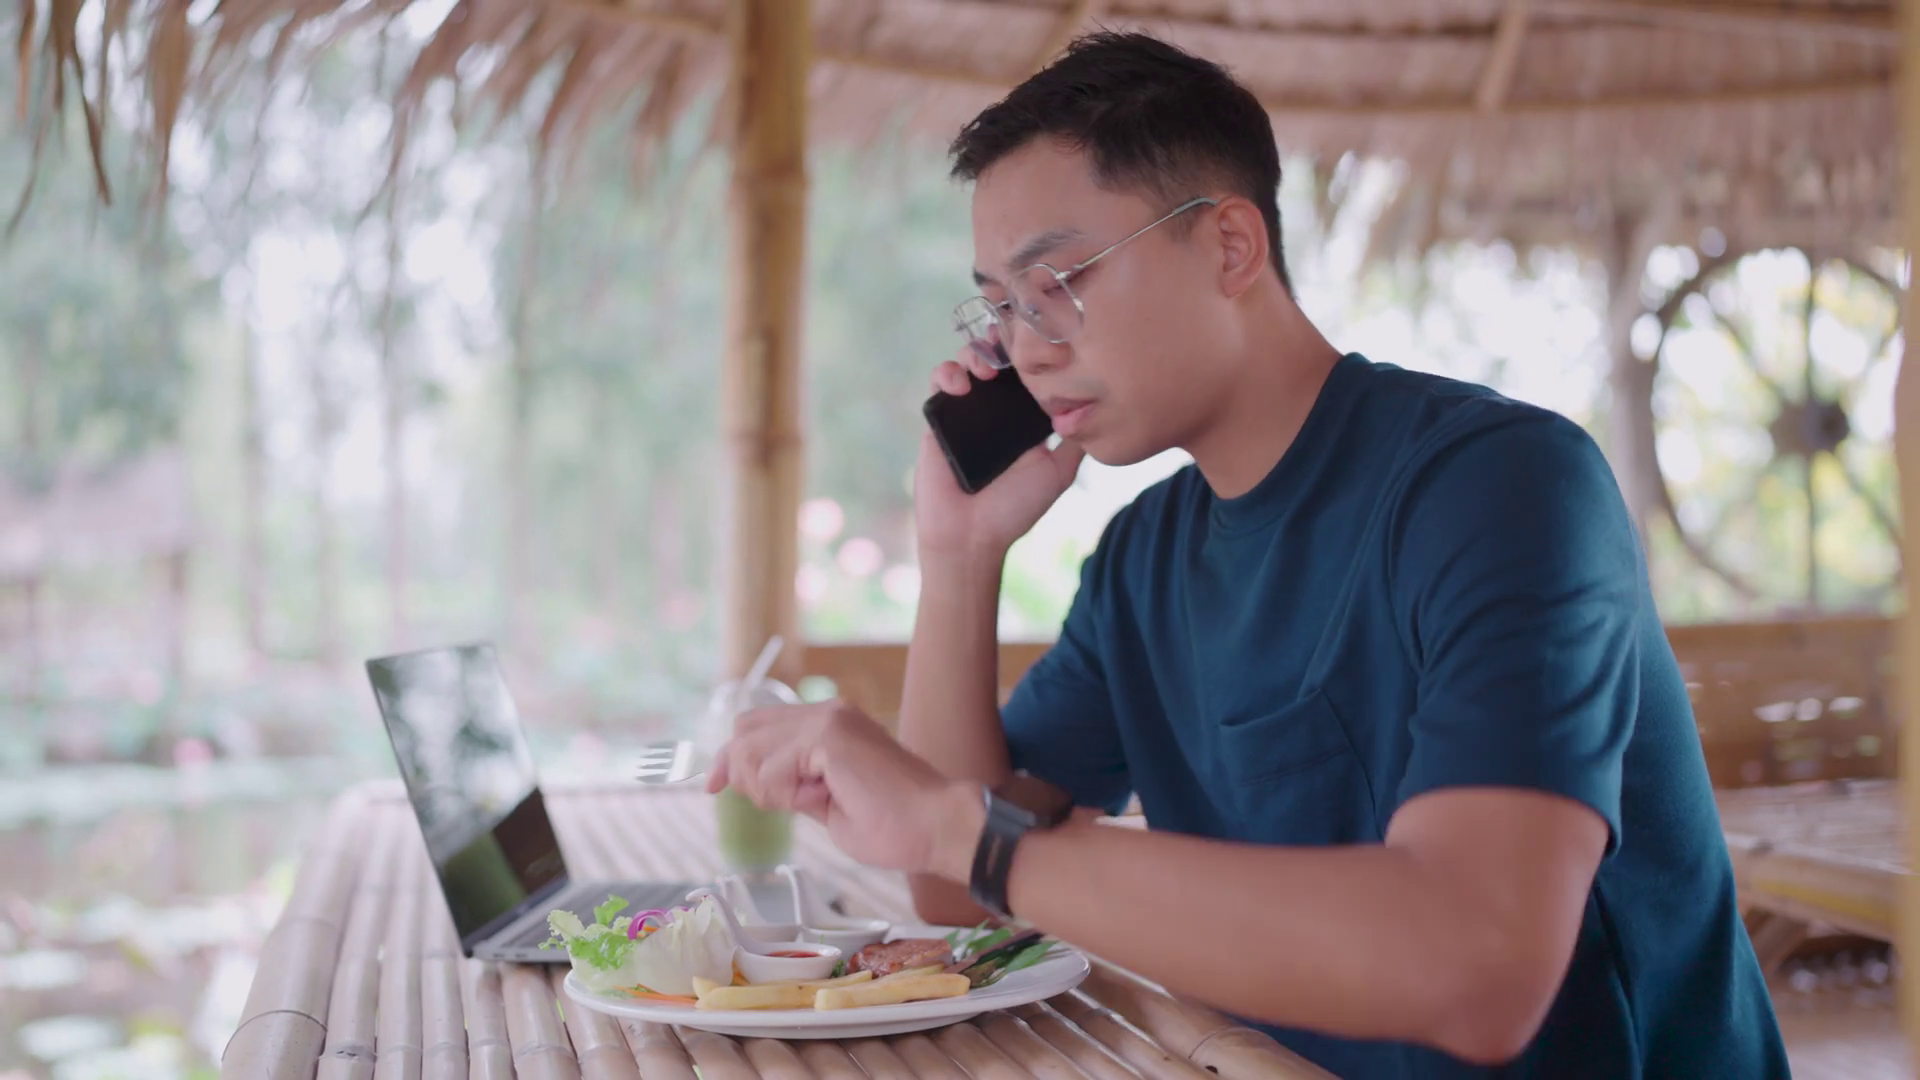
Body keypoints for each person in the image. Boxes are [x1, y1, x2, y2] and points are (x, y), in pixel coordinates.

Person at [707, 30, 1787, 1078]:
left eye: (1059, 284)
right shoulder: (1143, 564)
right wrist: (958, 555)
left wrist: (967, 834)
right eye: (1001, 309)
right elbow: (956, 892)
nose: (1028, 348)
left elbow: (1477, 967)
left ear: (1231, 245)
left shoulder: (1500, 487)